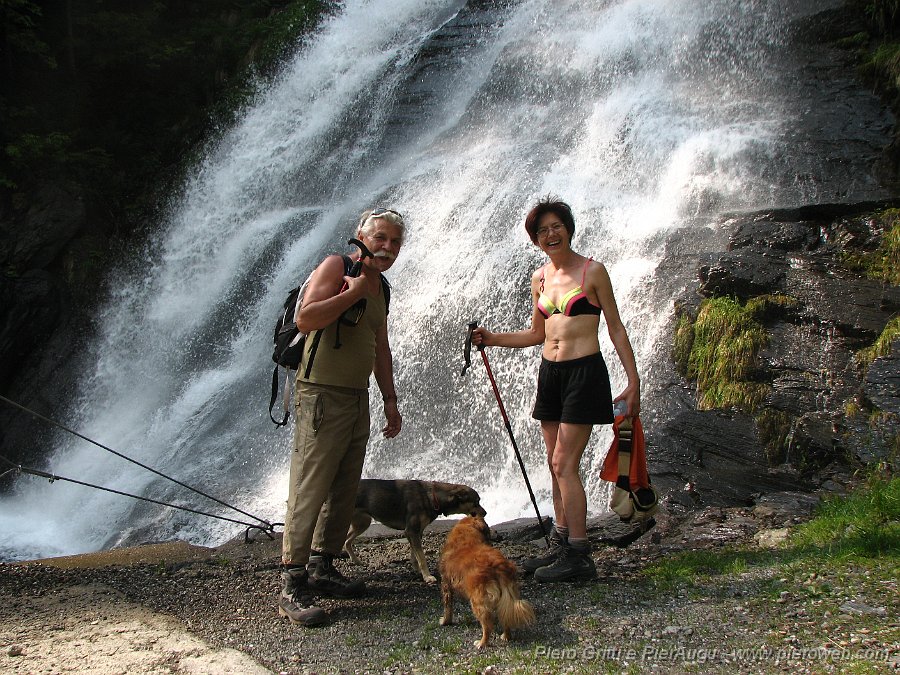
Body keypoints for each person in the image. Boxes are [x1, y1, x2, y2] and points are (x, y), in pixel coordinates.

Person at [472, 197, 640, 583]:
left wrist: (633, 382)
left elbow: (614, 327)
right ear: (535, 239)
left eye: (556, 226)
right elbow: (536, 333)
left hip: (585, 373)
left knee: (565, 463)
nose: (550, 234)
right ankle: (561, 542)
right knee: (554, 463)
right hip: (551, 374)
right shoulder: (540, 278)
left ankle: (580, 555)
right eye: (542, 230)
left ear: (569, 228)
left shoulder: (593, 272)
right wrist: (491, 338)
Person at [279, 208, 404, 626]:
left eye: (394, 242)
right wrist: (352, 292)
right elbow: (307, 317)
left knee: (344, 488)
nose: (386, 247)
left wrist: (389, 398)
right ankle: (292, 581)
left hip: (356, 396)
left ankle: (322, 565)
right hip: (320, 394)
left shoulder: (382, 287)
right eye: (380, 238)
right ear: (361, 236)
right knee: (310, 485)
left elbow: (379, 345)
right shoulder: (337, 266)